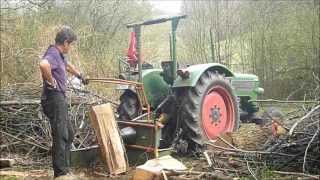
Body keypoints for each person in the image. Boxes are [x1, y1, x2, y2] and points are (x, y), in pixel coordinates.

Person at [39, 26, 88, 179]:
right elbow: (43, 64)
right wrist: (51, 81)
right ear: (65, 43)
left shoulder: (59, 55)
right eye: (71, 44)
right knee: (61, 135)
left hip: (59, 98)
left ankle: (64, 169)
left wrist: (80, 75)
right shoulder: (52, 53)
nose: (71, 47)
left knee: (69, 134)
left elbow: (67, 65)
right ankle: (60, 173)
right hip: (53, 98)